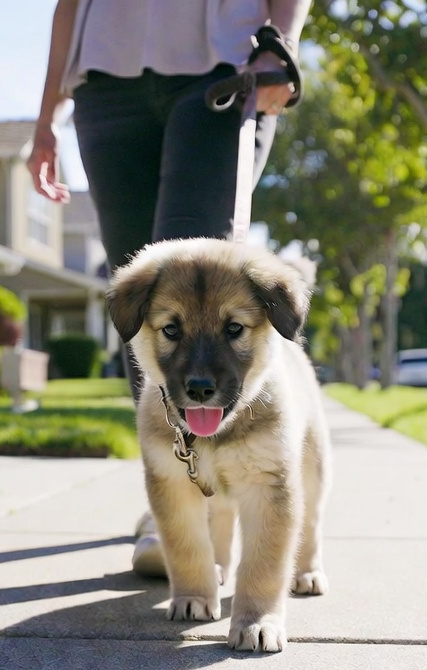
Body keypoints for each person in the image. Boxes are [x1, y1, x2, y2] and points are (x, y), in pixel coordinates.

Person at [27, 0, 312, 577]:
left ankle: (214, 502)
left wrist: (280, 40)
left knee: (199, 277)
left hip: (221, 63)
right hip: (106, 78)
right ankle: (176, 503)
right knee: (148, 303)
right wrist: (45, 118)